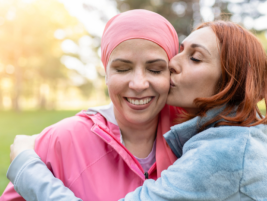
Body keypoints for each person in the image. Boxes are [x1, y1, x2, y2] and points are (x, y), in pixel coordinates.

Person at [4, 20, 267, 201]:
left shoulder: (227, 151)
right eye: (180, 51)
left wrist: (26, 168)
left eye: (194, 58)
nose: (173, 64)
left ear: (229, 82)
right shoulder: (229, 134)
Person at [0, 9, 179, 201]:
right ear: (106, 73)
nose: (138, 83)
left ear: (172, 73)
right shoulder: (60, 140)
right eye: (122, 69)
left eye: (155, 69)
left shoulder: (194, 140)